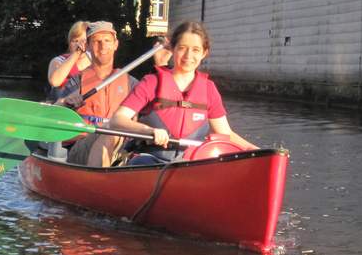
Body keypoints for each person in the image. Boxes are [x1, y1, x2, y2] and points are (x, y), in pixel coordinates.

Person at [108, 21, 257, 165]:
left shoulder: (209, 89)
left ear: (204, 53)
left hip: (191, 164)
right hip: (150, 160)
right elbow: (117, 120)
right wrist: (149, 130)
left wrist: (255, 151)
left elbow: (226, 134)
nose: (188, 56)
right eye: (182, 48)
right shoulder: (151, 82)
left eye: (195, 50)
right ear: (173, 48)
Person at [54, 21, 137, 167]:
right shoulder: (77, 81)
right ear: (88, 46)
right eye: (97, 41)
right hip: (80, 149)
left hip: (121, 151)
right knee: (111, 131)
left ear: (115, 44)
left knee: (117, 134)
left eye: (107, 41)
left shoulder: (131, 83)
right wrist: (65, 103)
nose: (103, 46)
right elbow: (54, 113)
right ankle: (100, 181)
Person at [47, 21, 91, 100]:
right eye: (75, 41)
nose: (79, 44)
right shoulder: (58, 61)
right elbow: (55, 82)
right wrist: (76, 53)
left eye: (84, 41)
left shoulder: (95, 62)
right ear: (69, 42)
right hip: (62, 107)